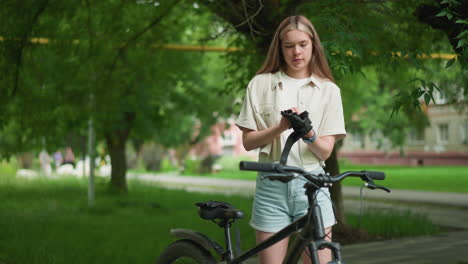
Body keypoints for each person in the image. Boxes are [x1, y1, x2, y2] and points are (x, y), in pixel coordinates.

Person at [236, 15, 346, 264]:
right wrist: (281, 127)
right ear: (280, 48)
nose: (296, 52)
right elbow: (248, 142)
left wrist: (309, 134)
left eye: (303, 44)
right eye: (289, 46)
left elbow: (325, 152)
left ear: (313, 45)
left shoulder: (329, 90)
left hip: (313, 184)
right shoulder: (260, 84)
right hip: (271, 187)